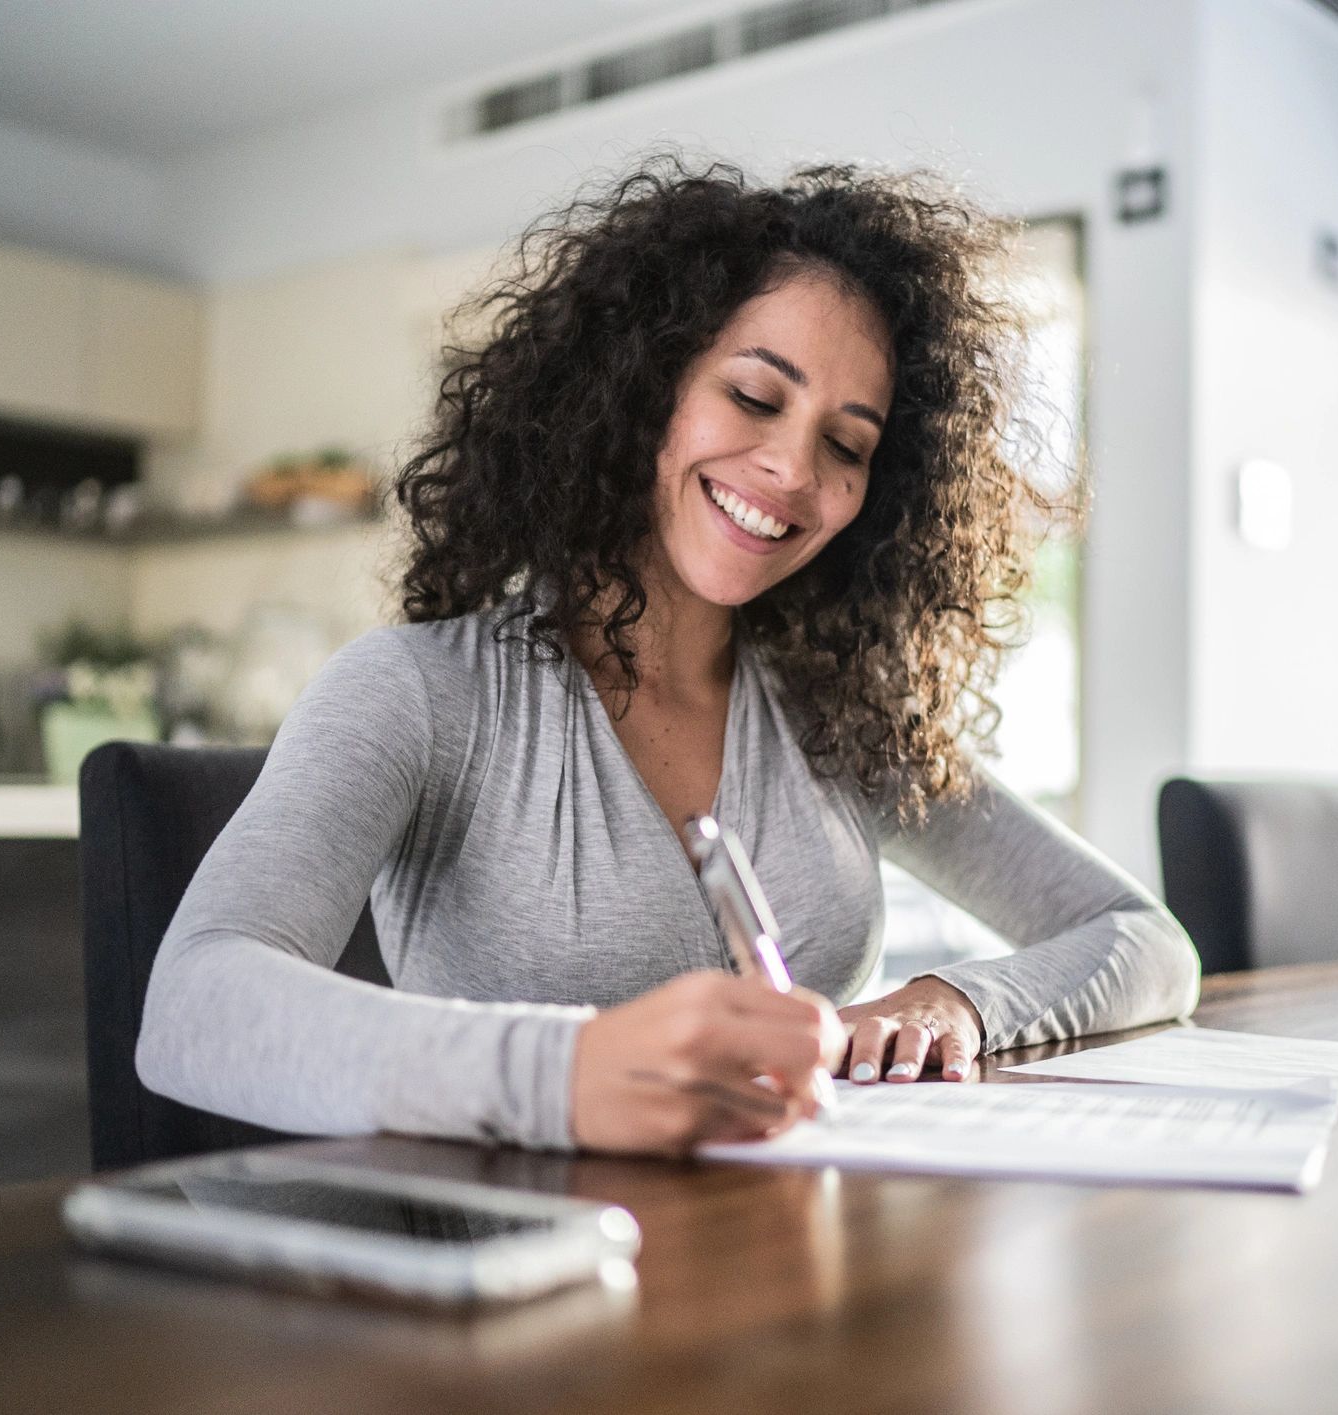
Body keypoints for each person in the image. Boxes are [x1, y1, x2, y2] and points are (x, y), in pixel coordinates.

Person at [135, 156, 1200, 1157]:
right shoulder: (420, 692)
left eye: (848, 445)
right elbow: (193, 1002)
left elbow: (1143, 939)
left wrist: (961, 1001)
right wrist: (568, 1071)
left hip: (787, 1276)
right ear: (642, 387)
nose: (790, 468)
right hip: (522, 1304)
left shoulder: (840, 716)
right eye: (752, 395)